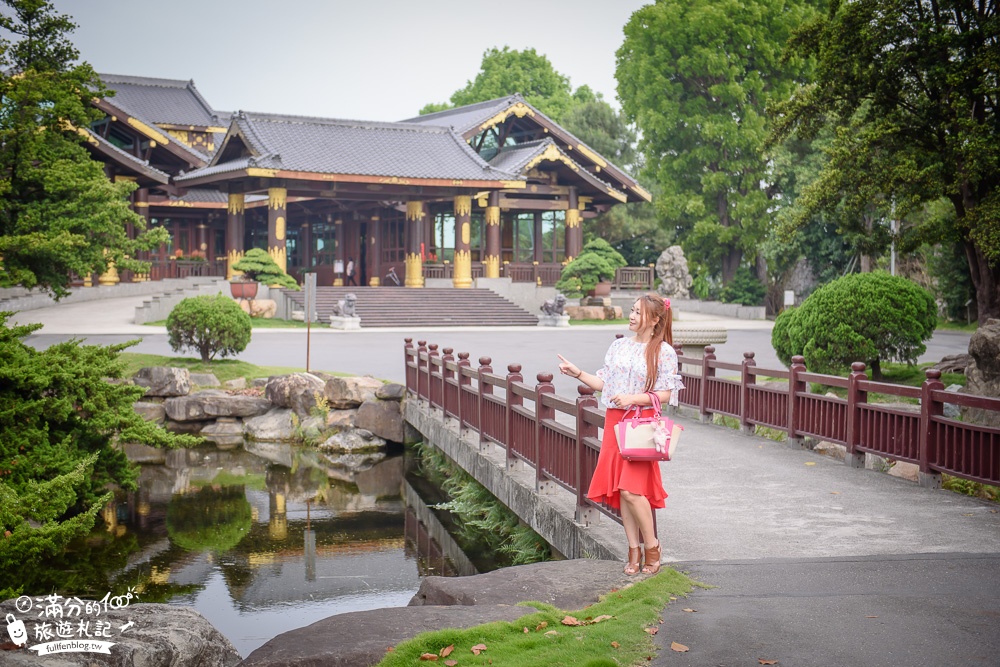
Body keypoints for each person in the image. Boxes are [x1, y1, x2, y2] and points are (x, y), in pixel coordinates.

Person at [557, 294, 683, 576]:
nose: (631, 315)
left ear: (654, 320)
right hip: (616, 421)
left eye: (638, 312)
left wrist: (633, 399)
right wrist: (578, 373)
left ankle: (652, 546)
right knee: (623, 493)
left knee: (631, 489)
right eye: (632, 310)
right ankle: (633, 550)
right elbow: (605, 384)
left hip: (641, 423)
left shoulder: (663, 352)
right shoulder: (618, 346)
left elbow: (665, 394)